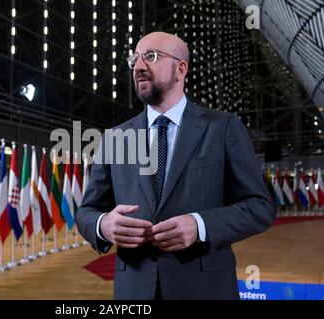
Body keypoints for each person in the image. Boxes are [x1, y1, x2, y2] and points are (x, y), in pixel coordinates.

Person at [76, 31, 276, 300]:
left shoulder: (223, 128)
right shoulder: (115, 137)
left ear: (181, 69)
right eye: (134, 59)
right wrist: (103, 224)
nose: (138, 66)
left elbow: (260, 206)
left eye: (151, 56)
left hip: (204, 289)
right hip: (135, 290)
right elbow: (87, 210)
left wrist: (200, 225)